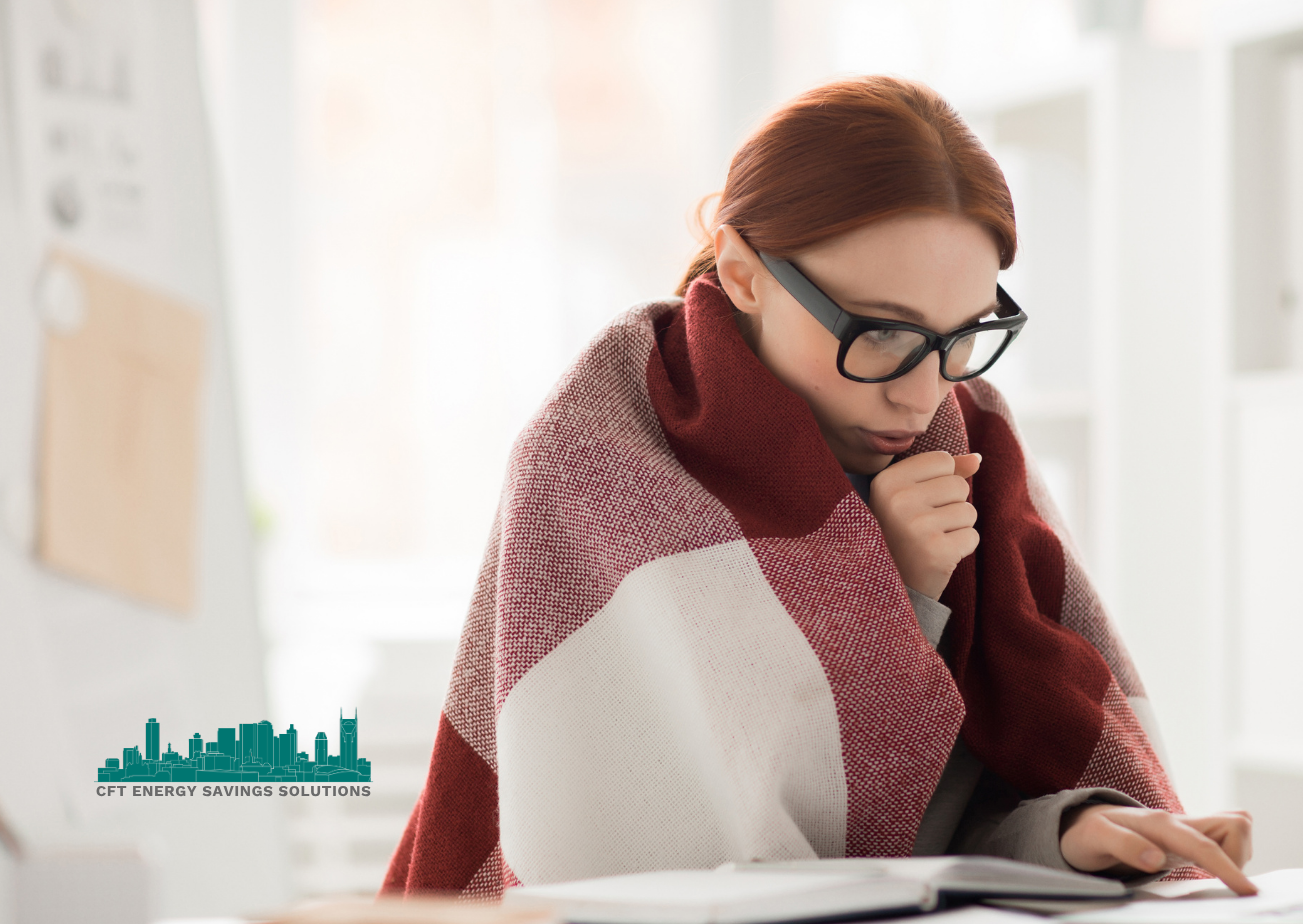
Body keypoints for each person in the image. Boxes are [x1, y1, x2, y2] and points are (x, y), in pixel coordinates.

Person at [382, 75, 1253, 902]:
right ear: (745, 270)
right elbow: (718, 856)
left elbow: (927, 843)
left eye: (962, 337)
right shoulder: (599, 460)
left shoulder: (973, 441)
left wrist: (1075, 833)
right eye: (879, 334)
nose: (920, 393)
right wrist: (895, 585)